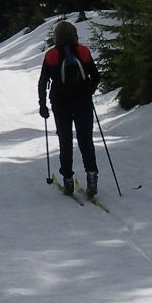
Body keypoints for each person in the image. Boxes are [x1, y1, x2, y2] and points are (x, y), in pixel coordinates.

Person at [38, 20, 101, 197]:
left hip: (60, 103)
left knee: (65, 141)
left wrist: (42, 105)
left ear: (57, 36)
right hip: (83, 102)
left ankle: (67, 179)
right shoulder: (83, 51)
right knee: (85, 139)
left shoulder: (51, 55)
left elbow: (43, 82)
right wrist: (88, 90)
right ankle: (91, 174)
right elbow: (96, 76)